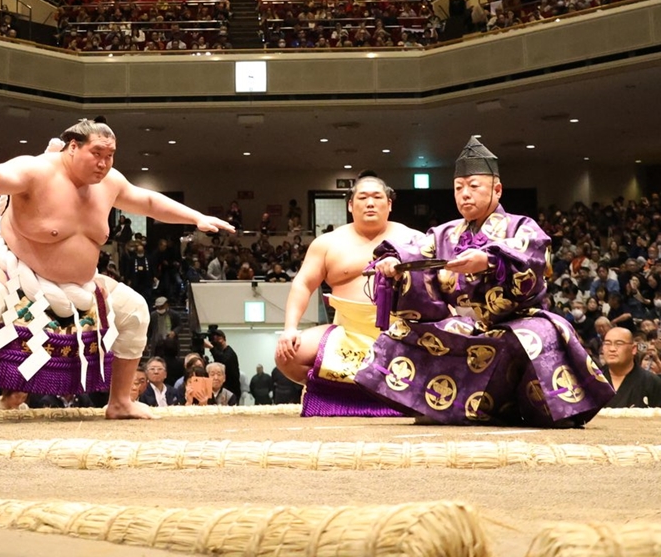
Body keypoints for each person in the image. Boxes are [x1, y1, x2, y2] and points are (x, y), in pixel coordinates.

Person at [0, 118, 233, 425]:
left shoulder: (110, 183)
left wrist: (195, 217)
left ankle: (120, 402)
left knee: (135, 310)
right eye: (97, 154)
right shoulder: (38, 171)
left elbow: (147, 201)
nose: (104, 163)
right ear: (73, 147)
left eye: (110, 155)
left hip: (81, 287)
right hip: (16, 274)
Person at [357, 137, 615, 426]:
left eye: (473, 186)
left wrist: (490, 260)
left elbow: (532, 254)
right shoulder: (444, 234)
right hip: (461, 324)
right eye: (458, 188)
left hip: (515, 321)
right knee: (401, 331)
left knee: (540, 333)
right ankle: (442, 407)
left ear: (497, 189)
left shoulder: (520, 226)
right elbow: (414, 254)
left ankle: (540, 409)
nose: (464, 194)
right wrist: (393, 264)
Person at [275, 172, 419, 415]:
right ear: (351, 205)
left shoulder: (413, 239)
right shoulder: (327, 243)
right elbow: (303, 284)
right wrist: (290, 328)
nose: (370, 203)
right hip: (347, 330)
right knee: (287, 355)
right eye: (363, 197)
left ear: (389, 204)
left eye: (377, 197)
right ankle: (331, 393)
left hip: (400, 331)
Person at [601, 327, 661, 408]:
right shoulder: (591, 380)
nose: (612, 349)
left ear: (633, 349)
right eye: (607, 343)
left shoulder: (652, 382)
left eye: (619, 344)